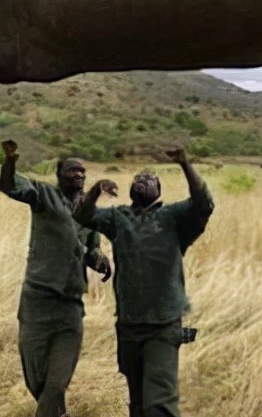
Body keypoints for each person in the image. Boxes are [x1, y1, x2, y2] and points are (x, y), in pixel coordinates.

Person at [74, 148, 214, 417]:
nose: (141, 181)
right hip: (128, 324)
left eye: (148, 179)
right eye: (137, 179)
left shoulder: (174, 217)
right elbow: (82, 217)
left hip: (163, 325)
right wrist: (95, 191)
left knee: (159, 405)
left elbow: (204, 203)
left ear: (159, 191)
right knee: (137, 404)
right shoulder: (118, 218)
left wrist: (185, 163)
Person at [0, 139, 113, 417]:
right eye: (73, 170)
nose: (80, 175)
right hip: (37, 301)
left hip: (70, 305)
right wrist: (11, 160)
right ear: (59, 175)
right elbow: (9, 185)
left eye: (83, 171)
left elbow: (92, 248)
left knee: (57, 381)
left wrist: (98, 258)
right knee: (36, 378)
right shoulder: (42, 195)